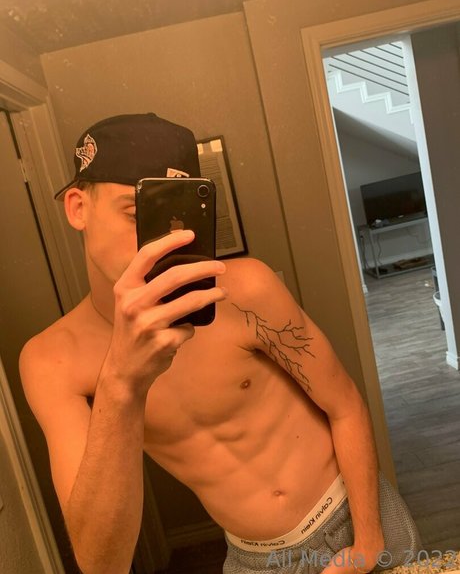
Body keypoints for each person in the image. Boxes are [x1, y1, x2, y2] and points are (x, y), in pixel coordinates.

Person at [19, 113, 421, 574]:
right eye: (135, 214)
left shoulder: (244, 290)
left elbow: (344, 405)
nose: (158, 242)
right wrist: (121, 381)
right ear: (77, 208)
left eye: (173, 217)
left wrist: (368, 540)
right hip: (258, 560)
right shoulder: (52, 361)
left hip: (356, 513)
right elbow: (100, 565)